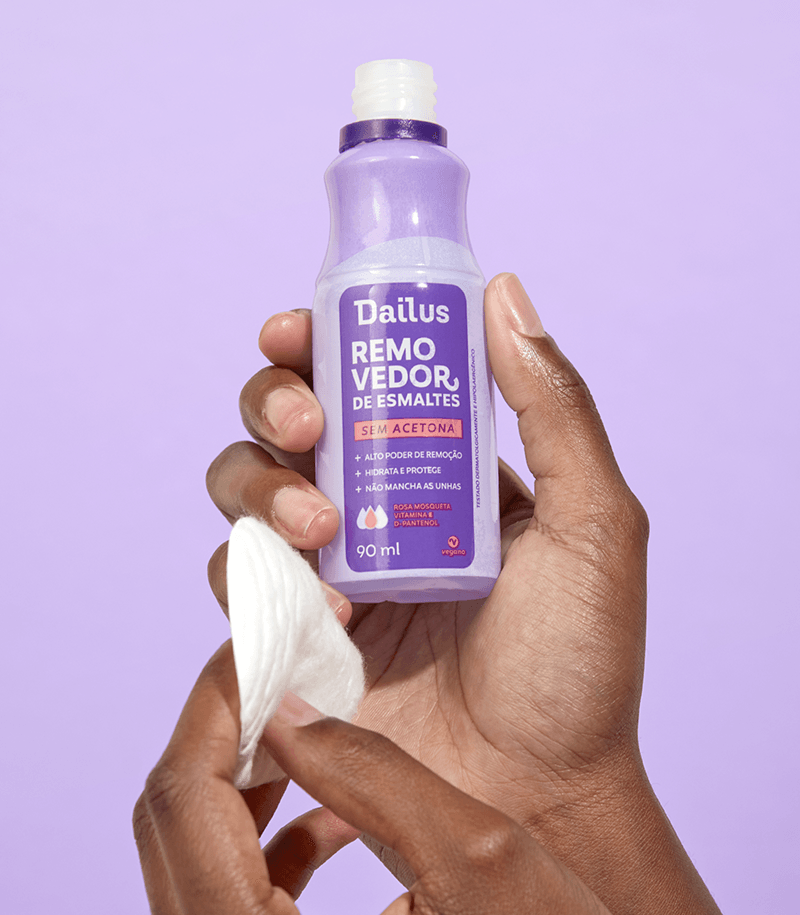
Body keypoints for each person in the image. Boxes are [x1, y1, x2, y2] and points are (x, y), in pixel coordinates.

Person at [134, 274, 722, 913]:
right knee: (308, 440)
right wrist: (554, 796)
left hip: (482, 644)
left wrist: (562, 789)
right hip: (380, 637)